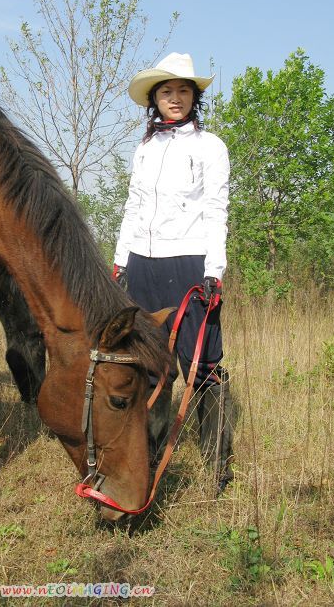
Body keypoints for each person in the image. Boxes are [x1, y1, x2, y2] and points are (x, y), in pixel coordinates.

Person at [112, 52, 233, 491]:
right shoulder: (144, 148)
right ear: (155, 99)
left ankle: (220, 464)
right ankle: (149, 453)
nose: (175, 98)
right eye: (167, 91)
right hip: (143, 264)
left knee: (201, 365)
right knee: (147, 365)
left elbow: (217, 210)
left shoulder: (210, 146)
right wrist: (121, 259)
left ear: (194, 97)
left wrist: (213, 270)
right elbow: (134, 205)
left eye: (183, 90)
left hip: (190, 264)